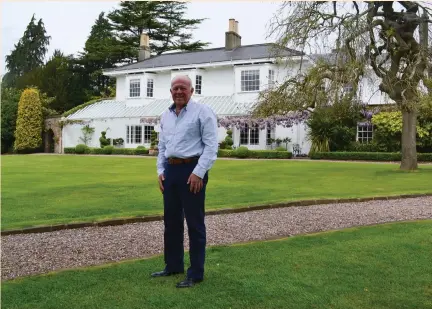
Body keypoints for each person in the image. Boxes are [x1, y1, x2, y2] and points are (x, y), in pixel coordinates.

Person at [151, 75, 219, 288]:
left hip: (192, 170)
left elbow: (211, 146)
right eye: (175, 88)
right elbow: (162, 147)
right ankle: (173, 265)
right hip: (171, 171)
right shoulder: (166, 115)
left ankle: (195, 273)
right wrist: (161, 171)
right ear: (170, 92)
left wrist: (199, 172)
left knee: (195, 224)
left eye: (183, 88)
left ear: (191, 91)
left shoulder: (202, 112)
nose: (179, 91)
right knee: (171, 222)